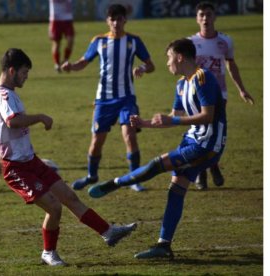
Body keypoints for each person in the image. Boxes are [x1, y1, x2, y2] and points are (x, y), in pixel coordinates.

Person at [0, 48, 137, 266]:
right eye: (24, 72)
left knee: (70, 197)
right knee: (54, 207)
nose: (26, 77)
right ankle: (48, 252)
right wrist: (40, 118)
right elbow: (13, 121)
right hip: (16, 168)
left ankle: (108, 232)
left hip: (30, 160)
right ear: (12, 70)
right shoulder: (4, 94)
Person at [88, 38, 227, 259]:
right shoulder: (181, 84)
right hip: (192, 140)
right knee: (175, 190)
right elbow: (174, 118)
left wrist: (172, 122)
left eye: (169, 57)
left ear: (180, 57)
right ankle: (163, 246)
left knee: (157, 164)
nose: (168, 63)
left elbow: (207, 116)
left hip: (206, 145)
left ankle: (116, 183)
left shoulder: (203, 77)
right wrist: (144, 123)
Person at [61, 4, 155, 192]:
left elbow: (151, 65)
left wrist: (142, 69)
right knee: (97, 140)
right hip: (103, 100)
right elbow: (83, 62)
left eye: (119, 19)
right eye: (112, 19)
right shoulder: (99, 41)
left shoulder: (134, 41)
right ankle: (91, 175)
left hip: (126, 98)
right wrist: (71, 66)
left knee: (129, 136)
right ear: (107, 21)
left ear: (125, 20)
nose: (116, 23)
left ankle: (134, 179)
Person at [189, 1, 254, 190]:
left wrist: (241, 89)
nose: (205, 18)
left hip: (220, 95)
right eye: (201, 15)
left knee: (215, 133)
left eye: (208, 14)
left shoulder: (225, 41)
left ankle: (212, 166)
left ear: (214, 17)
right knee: (201, 134)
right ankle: (203, 173)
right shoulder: (191, 43)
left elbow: (230, 64)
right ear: (196, 18)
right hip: (198, 96)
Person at [48, 0, 75, 73]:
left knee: (70, 40)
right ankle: (57, 64)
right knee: (56, 43)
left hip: (67, 18)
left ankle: (65, 60)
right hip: (56, 19)